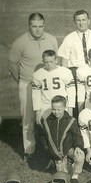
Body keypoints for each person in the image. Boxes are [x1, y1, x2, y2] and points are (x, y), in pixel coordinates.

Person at [8, 13, 59, 159]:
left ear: (44, 25)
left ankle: (53, 150)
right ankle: (29, 151)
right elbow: (11, 64)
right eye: (34, 26)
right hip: (28, 84)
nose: (37, 29)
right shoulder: (20, 42)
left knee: (52, 115)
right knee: (28, 119)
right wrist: (21, 80)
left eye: (40, 26)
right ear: (29, 26)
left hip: (48, 85)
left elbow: (56, 60)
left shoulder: (51, 39)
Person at [42, 95, 85, 183]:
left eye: (59, 109)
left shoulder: (71, 120)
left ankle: (75, 177)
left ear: (64, 107)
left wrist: (78, 146)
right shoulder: (47, 122)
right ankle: (62, 164)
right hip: (56, 153)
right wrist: (48, 150)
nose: (56, 112)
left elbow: (77, 136)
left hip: (68, 149)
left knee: (80, 155)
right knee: (63, 177)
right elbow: (43, 137)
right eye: (54, 109)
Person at [31, 50, 75, 125]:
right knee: (48, 129)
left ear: (56, 60)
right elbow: (36, 95)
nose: (49, 64)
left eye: (51, 61)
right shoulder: (38, 74)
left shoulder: (65, 72)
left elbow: (71, 92)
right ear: (43, 61)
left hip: (62, 106)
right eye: (46, 62)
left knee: (63, 127)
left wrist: (70, 109)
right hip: (45, 105)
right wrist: (37, 112)